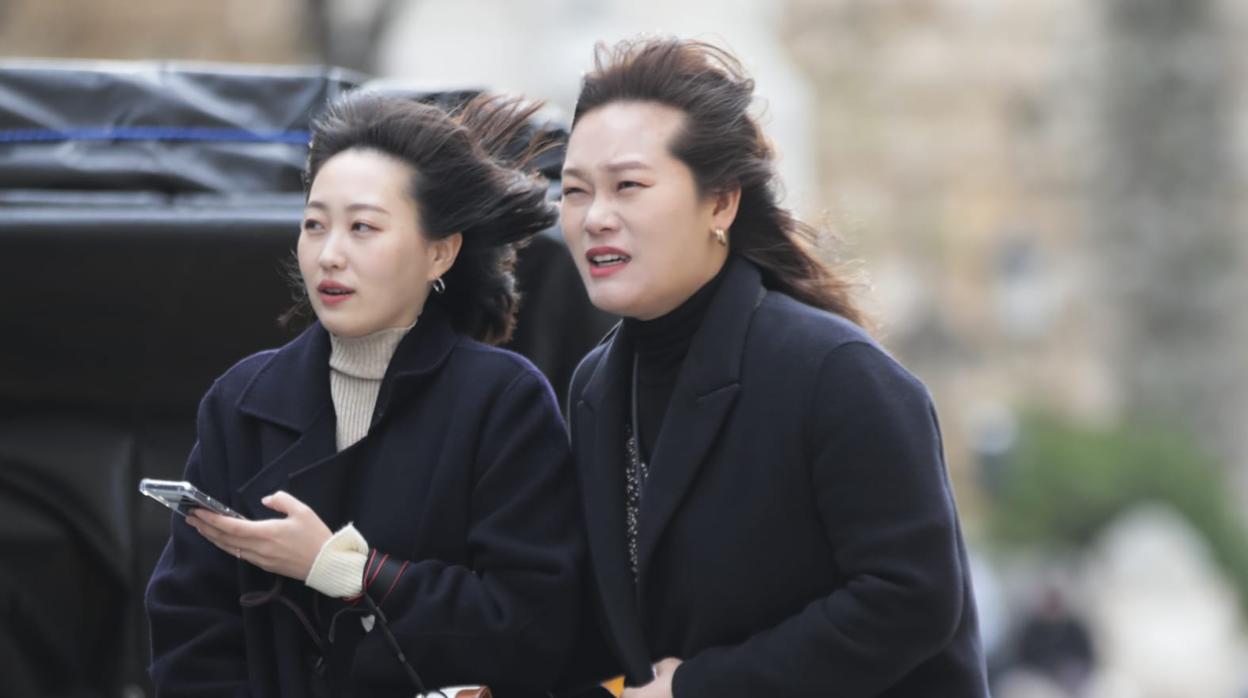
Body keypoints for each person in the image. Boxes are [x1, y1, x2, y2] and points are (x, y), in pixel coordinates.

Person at [557, 38, 989, 697]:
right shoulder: (594, 387)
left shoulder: (835, 372)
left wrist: (705, 687)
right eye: (575, 191)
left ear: (721, 203)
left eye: (629, 187)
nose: (596, 218)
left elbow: (912, 598)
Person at [145, 91, 582, 697]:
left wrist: (344, 570)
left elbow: (533, 625)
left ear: (440, 251)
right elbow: (189, 629)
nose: (329, 254)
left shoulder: (503, 401)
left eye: (362, 227)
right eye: (314, 224)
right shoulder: (242, 400)